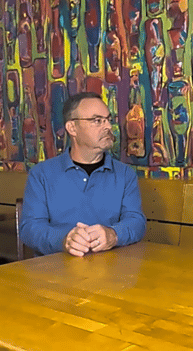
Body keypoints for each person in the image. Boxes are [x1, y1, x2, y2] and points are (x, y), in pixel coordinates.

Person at [19, 92, 146, 256]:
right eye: (97, 120)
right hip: (54, 274)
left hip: (111, 273)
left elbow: (137, 222)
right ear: (72, 128)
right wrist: (65, 240)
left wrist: (113, 235)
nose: (108, 127)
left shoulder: (125, 174)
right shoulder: (41, 175)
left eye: (108, 120)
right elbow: (30, 229)